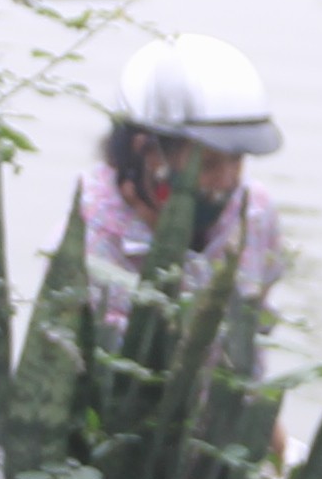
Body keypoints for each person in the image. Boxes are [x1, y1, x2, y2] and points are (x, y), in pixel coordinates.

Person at [79, 31, 288, 374]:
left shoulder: (255, 211)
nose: (227, 181)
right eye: (207, 165)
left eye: (237, 161)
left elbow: (251, 349)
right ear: (146, 152)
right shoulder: (88, 241)